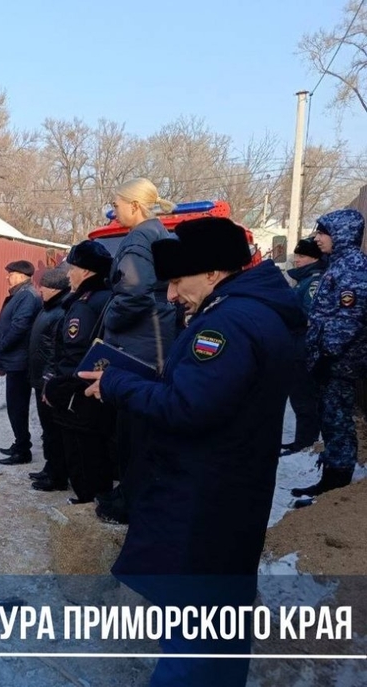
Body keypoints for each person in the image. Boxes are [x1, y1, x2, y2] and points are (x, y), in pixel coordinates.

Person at [80, 218, 303, 687]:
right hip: (229, 495)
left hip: (204, 502)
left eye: (178, 280)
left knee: (193, 639)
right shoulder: (253, 311)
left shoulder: (225, 324)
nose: (171, 294)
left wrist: (118, 383)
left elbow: (187, 406)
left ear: (212, 272)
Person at [98, 178, 179, 524]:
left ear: (134, 205)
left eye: (116, 205)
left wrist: (109, 319)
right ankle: (135, 493)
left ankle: (130, 500)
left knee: (132, 426)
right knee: (148, 423)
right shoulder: (163, 234)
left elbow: (133, 292)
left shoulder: (137, 240)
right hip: (160, 337)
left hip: (139, 341)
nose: (113, 211)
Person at [293, 209, 367, 498]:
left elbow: (349, 319)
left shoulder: (352, 268)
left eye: (323, 233)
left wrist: (327, 356)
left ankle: (337, 480)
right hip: (332, 360)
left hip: (340, 362)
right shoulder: (339, 264)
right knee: (330, 416)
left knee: (337, 418)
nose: (317, 238)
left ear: (341, 235)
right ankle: (333, 474)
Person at [39, 242, 114, 503]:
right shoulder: (106, 296)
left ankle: (87, 501)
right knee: (97, 453)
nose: (69, 274)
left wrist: (57, 387)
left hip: (78, 396)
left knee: (82, 455)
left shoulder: (85, 304)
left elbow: (74, 352)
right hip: (94, 391)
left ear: (86, 271)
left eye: (73, 268)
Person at [0, 260, 42, 465]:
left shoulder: (27, 296)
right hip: (14, 359)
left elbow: (19, 327)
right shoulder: (21, 294)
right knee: (15, 406)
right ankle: (20, 442)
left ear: (21, 276)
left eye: (10, 274)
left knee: (17, 406)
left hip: (19, 361)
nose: (7, 277)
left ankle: (22, 450)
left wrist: (2, 346)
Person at [26, 267, 72, 488]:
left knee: (54, 430)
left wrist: (48, 379)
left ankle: (57, 476)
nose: (40, 289)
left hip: (48, 380)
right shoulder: (48, 308)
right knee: (48, 429)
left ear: (55, 288)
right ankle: (50, 467)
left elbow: (56, 350)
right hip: (40, 378)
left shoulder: (61, 311)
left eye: (43, 286)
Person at [280, 238, 326, 455]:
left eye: (302, 256)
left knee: (304, 397)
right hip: (298, 344)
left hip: (304, 345)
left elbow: (310, 315)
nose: (296, 260)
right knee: (299, 396)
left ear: (314, 258)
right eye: (297, 255)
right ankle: (302, 439)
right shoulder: (304, 279)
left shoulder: (314, 281)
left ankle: (305, 442)